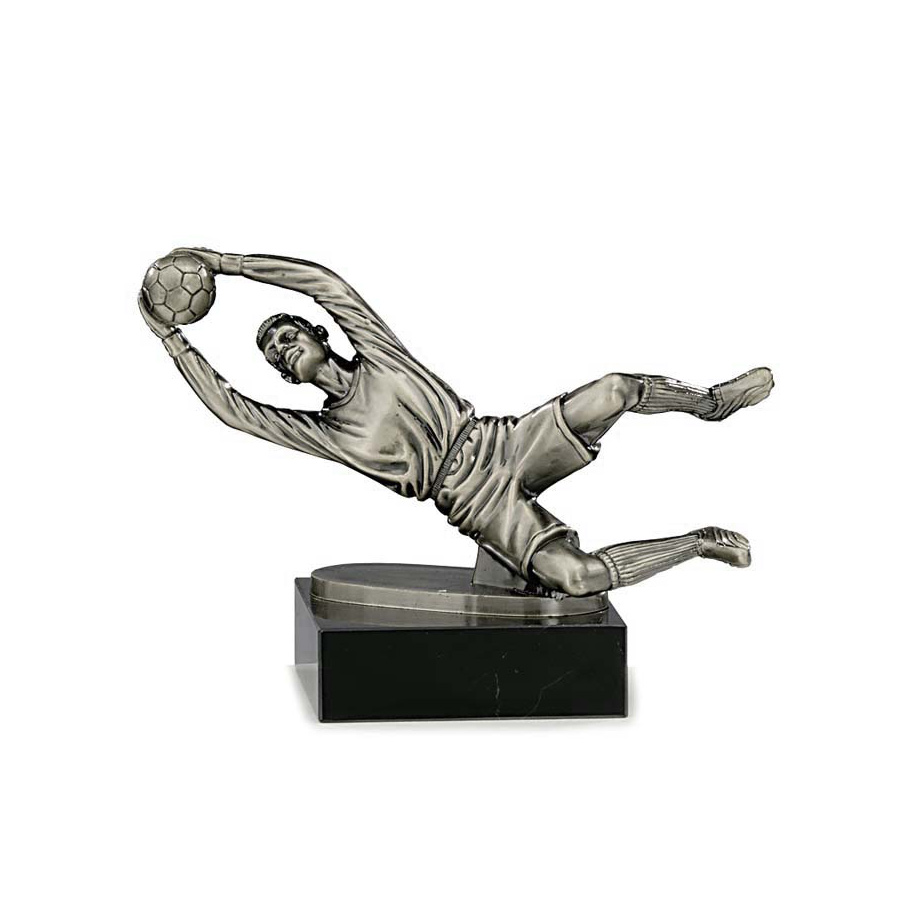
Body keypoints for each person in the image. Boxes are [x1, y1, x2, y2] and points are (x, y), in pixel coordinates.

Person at [139, 248, 774, 597]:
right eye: (273, 354)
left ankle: (710, 403)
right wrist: (172, 340)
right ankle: (698, 543)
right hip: (476, 505)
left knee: (615, 389)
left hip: (504, 444)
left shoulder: (379, 356)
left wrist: (227, 264)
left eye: (287, 335)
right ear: (283, 377)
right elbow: (232, 410)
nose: (282, 349)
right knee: (576, 578)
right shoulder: (326, 434)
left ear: (318, 334)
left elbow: (324, 284)